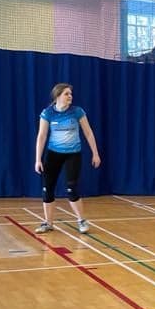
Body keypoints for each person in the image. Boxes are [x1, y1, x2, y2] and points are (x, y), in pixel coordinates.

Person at [34, 83, 101, 235]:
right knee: (47, 189)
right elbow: (42, 136)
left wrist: (95, 153)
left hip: (73, 154)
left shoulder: (77, 112)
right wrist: (38, 159)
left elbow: (88, 133)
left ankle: (81, 220)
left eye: (71, 94)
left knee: (72, 188)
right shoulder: (47, 113)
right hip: (53, 154)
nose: (70, 96)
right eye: (66, 94)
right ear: (57, 96)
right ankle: (48, 223)